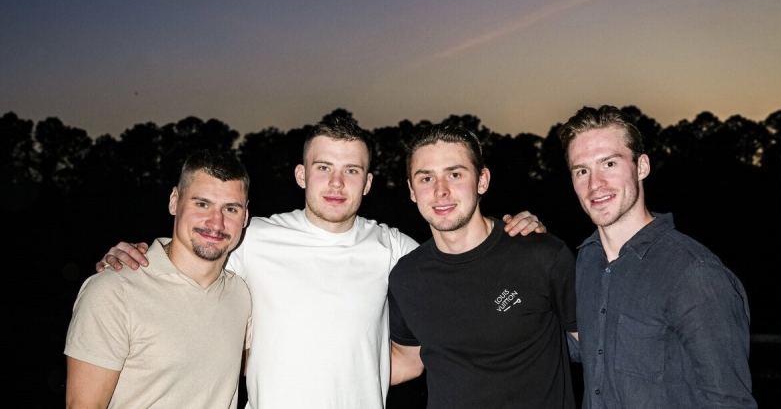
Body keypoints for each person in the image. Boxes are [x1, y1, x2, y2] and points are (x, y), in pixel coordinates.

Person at [96, 118, 546, 409]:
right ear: (301, 174)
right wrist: (135, 252)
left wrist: (514, 230)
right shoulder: (252, 238)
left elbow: (465, 260)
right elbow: (190, 255)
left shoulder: (393, 248)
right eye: (323, 167)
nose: (336, 183)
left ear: (367, 183)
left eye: (351, 171)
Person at [556, 105, 756, 408]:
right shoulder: (587, 261)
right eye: (582, 170)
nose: (595, 184)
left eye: (609, 164)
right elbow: (587, 349)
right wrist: (522, 253)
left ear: (642, 167)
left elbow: (729, 402)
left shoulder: (694, 274)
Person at [389, 124, 579, 409]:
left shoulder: (541, 255)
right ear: (412, 190)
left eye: (455, 174)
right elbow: (407, 362)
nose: (440, 191)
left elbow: (599, 349)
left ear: (482, 180)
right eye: (426, 178)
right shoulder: (405, 277)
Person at [65, 150, 253, 408]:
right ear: (174, 201)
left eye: (230, 209)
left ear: (245, 216)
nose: (216, 223)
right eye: (202, 204)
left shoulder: (241, 294)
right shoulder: (114, 290)